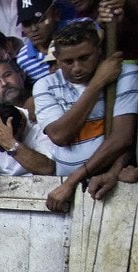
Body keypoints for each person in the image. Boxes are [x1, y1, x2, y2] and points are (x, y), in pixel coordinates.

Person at [37, 21, 137, 212]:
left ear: (99, 51)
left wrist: (72, 181)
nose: (77, 68)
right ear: (57, 59)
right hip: (64, 188)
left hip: (110, 183)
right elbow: (60, 136)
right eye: (68, 62)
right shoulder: (45, 85)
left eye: (85, 58)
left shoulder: (124, 74)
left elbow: (122, 139)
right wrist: (97, 84)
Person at [0, 101, 55, 177]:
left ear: (22, 125)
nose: (1, 150)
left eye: (2, 145)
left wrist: (10, 144)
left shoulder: (39, 124)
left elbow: (47, 169)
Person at [16, 0, 58, 83]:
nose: (34, 29)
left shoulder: (78, 32)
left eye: (39, 20)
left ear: (56, 14)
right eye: (27, 23)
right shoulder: (23, 60)